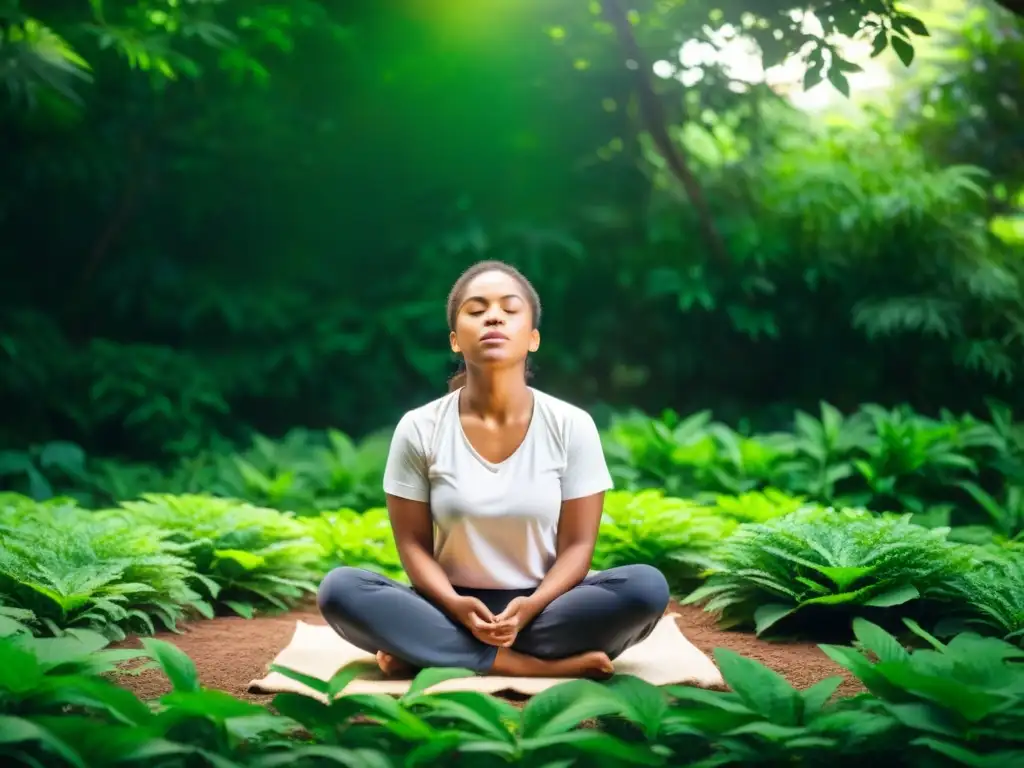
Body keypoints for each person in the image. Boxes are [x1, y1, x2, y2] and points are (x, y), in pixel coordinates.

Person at [317, 260, 670, 679]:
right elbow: (412, 547)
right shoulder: (419, 427)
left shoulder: (572, 425)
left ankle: (425, 649)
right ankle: (523, 665)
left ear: (533, 337)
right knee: (340, 590)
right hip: (448, 605)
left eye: (509, 307)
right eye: (477, 308)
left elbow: (578, 549)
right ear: (454, 340)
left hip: (547, 608)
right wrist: (455, 606)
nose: (494, 316)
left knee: (645, 587)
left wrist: (530, 606)